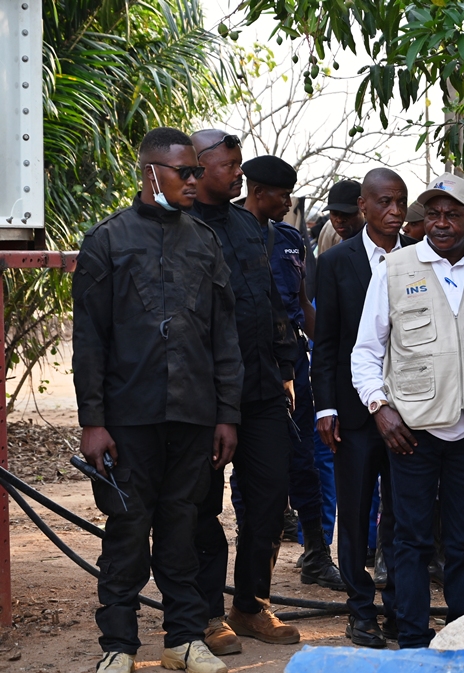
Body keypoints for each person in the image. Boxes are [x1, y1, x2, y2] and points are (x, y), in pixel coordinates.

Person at [74, 127, 240, 673]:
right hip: (128, 419)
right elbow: (90, 339)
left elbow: (223, 337)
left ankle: (183, 640)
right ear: (151, 173)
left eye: (197, 171)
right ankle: (118, 648)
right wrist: (93, 422)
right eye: (184, 172)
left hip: (193, 415)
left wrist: (226, 415)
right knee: (125, 531)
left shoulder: (204, 241)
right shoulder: (108, 240)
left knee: (182, 529)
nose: (195, 181)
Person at [351, 173, 464, 648]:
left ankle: (463, 636)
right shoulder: (395, 267)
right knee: (409, 540)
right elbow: (366, 351)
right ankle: (411, 636)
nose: (441, 223)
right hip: (413, 430)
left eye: (452, 215)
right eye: (433, 214)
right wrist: (379, 409)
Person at [189, 130, 302, 653]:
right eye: (230, 166)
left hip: (259, 391)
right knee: (200, 507)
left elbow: (271, 304)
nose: (239, 174)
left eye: (239, 166)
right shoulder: (180, 225)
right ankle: (207, 614)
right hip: (204, 398)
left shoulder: (247, 224)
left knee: (268, 500)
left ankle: (251, 604)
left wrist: (285, 368)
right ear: (199, 166)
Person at [313, 168, 418, 648]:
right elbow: (328, 341)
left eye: (400, 202)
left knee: (402, 515)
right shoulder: (337, 262)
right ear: (363, 206)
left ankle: (401, 610)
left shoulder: (422, 259)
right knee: (355, 515)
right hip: (354, 416)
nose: (394, 212)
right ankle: (360, 611)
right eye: (384, 203)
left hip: (413, 413)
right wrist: (325, 408)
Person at [238, 155, 344, 589]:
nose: (288, 203)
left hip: (295, 365)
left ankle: (316, 555)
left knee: (307, 464)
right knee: (250, 472)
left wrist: (333, 350)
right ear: (258, 192)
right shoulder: (223, 233)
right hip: (247, 367)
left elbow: (302, 305)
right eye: (282, 196)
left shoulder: (290, 239)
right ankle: (253, 566)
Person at [317, 180, 364, 254]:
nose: (339, 220)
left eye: (346, 213)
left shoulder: (379, 242)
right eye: (334, 213)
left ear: (363, 209)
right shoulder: (329, 230)